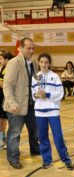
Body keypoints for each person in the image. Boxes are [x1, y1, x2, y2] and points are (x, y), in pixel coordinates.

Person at [3, 37, 40, 169]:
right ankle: (13, 158)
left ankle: (35, 149)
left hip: (31, 105)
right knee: (14, 134)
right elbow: (7, 85)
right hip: (16, 106)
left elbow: (36, 82)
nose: (31, 50)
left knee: (34, 130)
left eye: (33, 48)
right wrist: (11, 103)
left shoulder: (34, 63)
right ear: (20, 48)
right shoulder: (13, 63)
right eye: (28, 48)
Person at [32, 53, 72, 169]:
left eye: (46, 62)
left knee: (58, 137)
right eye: (42, 62)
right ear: (39, 63)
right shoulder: (35, 77)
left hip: (53, 111)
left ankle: (65, 159)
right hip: (39, 112)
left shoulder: (55, 76)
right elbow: (33, 95)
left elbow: (60, 93)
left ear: (49, 64)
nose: (44, 64)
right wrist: (38, 95)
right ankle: (47, 160)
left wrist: (47, 94)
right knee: (42, 137)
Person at [0, 50, 14, 150]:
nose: (0, 61)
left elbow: (5, 85)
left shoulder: (9, 69)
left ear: (7, 59)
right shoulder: (3, 68)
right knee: (2, 119)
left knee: (6, 119)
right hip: (2, 96)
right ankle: (2, 139)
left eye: (1, 59)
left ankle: (5, 141)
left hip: (6, 97)